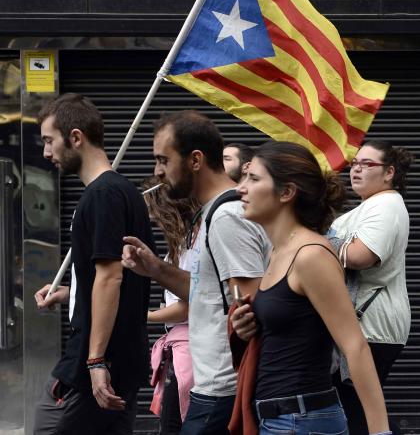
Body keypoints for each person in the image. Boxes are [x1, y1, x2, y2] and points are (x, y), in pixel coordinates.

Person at [121, 111, 271, 435]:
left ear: (195, 160)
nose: (158, 172)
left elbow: (251, 305)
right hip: (211, 383)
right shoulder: (211, 213)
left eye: (164, 160)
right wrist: (156, 269)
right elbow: (208, 292)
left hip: (224, 386)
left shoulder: (228, 216)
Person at [230, 141, 391, 435]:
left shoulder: (311, 255)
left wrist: (380, 432)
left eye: (253, 179)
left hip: (301, 421)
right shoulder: (278, 252)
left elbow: (354, 345)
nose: (241, 188)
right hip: (279, 419)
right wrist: (247, 328)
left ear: (287, 192)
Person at [32, 93, 154, 435]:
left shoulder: (101, 196)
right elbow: (117, 279)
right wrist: (70, 295)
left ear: (75, 138)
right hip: (123, 362)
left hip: (95, 364)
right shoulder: (123, 192)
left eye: (48, 140)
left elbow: (110, 278)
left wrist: (95, 360)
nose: (46, 152)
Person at [328, 140, 414, 435]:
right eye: (354, 164)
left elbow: (361, 255)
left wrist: (318, 243)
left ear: (389, 172)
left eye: (367, 164)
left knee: (357, 413)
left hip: (372, 327)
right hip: (363, 326)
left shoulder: (387, 204)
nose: (356, 170)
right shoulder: (369, 206)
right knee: (359, 412)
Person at [141, 175, 201, 434]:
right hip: (186, 352)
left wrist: (143, 316)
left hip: (191, 353)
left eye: (152, 210)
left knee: (176, 425)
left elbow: (186, 307)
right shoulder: (182, 245)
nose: (151, 219)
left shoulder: (191, 246)